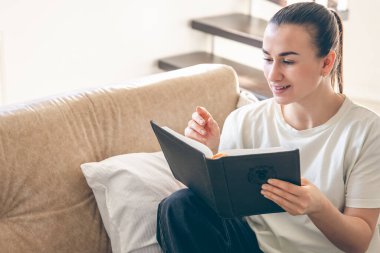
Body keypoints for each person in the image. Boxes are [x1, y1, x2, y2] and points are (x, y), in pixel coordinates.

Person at [156, 2, 380, 253]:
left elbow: (360, 242)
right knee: (179, 205)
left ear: (327, 63)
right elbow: (224, 209)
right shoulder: (244, 121)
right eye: (267, 58)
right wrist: (211, 152)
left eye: (287, 61)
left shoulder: (367, 132)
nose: (273, 75)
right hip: (253, 246)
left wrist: (318, 206)